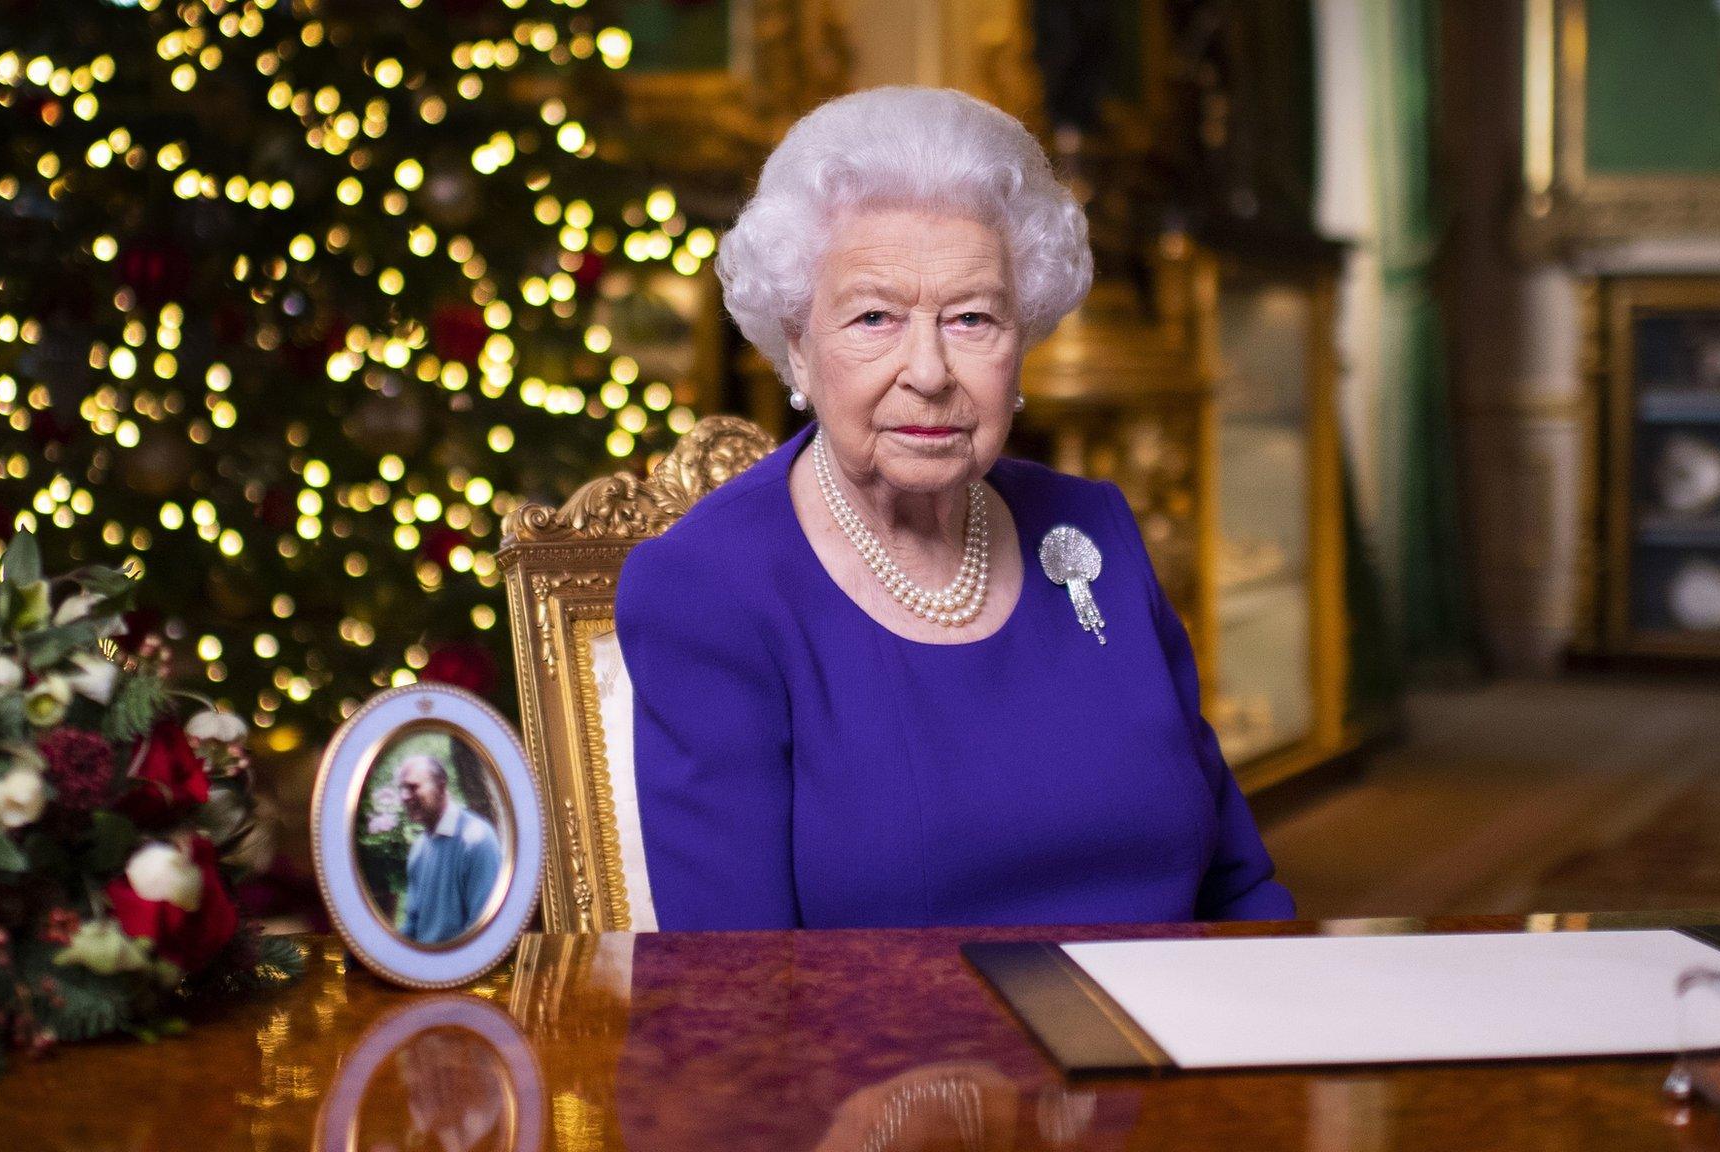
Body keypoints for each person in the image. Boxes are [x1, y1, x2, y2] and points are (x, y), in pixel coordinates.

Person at [613, 86, 1295, 931]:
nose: (929, 371)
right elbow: (738, 995)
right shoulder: (708, 590)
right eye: (874, 316)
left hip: (1168, 1046)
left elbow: (1238, 887)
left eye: (973, 318)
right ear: (799, 343)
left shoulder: (1094, 531)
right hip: (892, 1064)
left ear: (1023, 343)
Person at [394, 755, 502, 944]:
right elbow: (413, 925)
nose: (404, 796)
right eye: (402, 788)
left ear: (441, 786)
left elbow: (485, 932)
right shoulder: (419, 848)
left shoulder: (476, 840)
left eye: (413, 787)